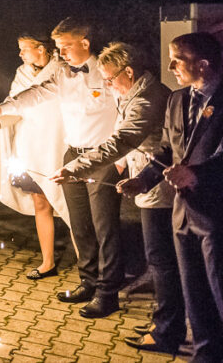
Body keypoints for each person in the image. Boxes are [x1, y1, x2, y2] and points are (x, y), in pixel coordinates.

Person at [48, 43, 178, 353]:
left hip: (158, 188)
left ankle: (166, 330)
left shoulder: (146, 99)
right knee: (160, 259)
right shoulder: (132, 93)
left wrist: (76, 167)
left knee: (162, 261)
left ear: (129, 72)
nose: (107, 85)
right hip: (145, 182)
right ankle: (163, 325)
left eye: (110, 79)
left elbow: (122, 139)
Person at [0, 18, 119, 318]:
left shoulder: (107, 71)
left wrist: (122, 162)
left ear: (85, 43)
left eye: (66, 46)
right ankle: (88, 281)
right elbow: (36, 93)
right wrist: (2, 108)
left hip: (103, 159)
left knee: (105, 228)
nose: (62, 53)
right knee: (80, 223)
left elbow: (124, 116)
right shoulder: (62, 74)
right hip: (72, 155)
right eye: (58, 47)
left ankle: (109, 293)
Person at [121, 33, 223, 360]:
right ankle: (206, 354)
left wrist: (198, 174)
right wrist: (143, 180)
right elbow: (167, 150)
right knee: (195, 297)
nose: (170, 65)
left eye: (177, 59)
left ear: (203, 64)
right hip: (183, 215)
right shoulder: (177, 99)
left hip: (216, 216)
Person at [0, 34, 69, 280]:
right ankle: (48, 261)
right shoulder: (22, 73)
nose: (20, 54)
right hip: (29, 146)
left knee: (69, 206)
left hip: (57, 145)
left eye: (24, 49)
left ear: (41, 48)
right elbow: (15, 103)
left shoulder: (62, 71)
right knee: (40, 203)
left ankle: (89, 262)